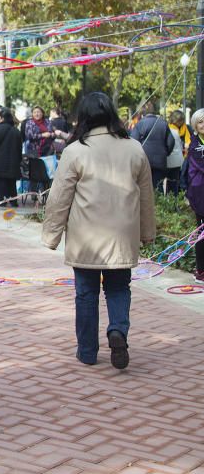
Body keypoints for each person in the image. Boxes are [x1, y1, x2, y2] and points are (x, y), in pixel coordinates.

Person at [41, 92, 155, 370]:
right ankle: (117, 330)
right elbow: (147, 196)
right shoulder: (134, 148)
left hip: (86, 237)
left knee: (86, 293)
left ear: (85, 117)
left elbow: (60, 198)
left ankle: (88, 351)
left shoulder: (75, 151)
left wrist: (51, 235)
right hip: (121, 235)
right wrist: (147, 232)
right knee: (119, 288)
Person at [130, 102, 174, 191]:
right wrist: (166, 153)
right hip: (160, 160)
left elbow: (133, 141)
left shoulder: (140, 124)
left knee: (144, 187)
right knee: (159, 186)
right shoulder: (163, 123)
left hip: (144, 159)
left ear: (143, 114)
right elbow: (171, 142)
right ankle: (159, 204)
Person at [185, 108, 204, 283]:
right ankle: (201, 270)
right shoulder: (194, 145)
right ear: (195, 126)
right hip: (200, 195)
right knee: (202, 234)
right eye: (200, 122)